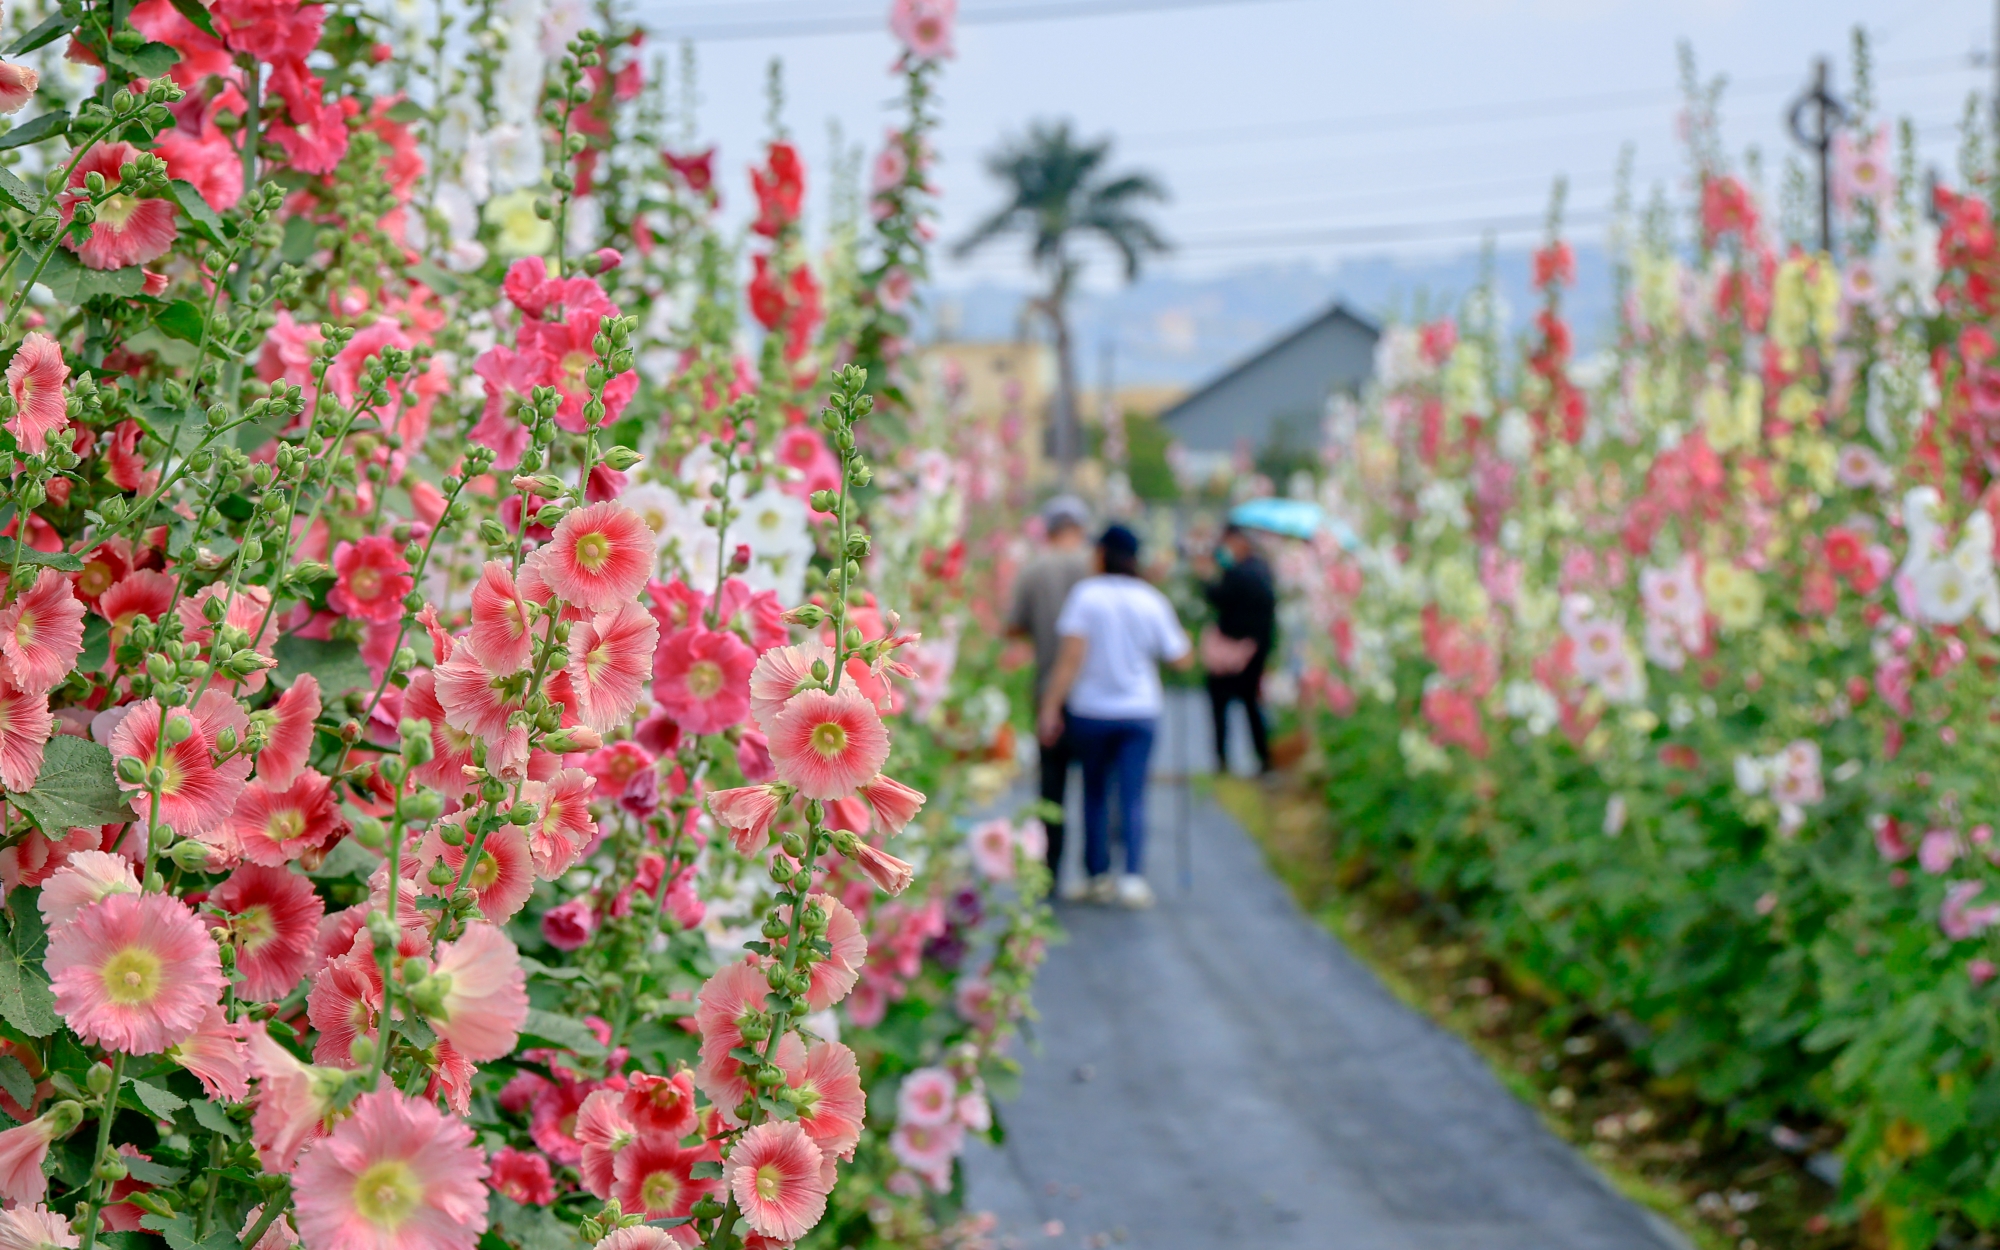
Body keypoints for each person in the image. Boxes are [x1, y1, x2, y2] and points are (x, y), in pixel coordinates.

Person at [1037, 524, 1192, 908]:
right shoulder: (1151, 599)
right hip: (1140, 710)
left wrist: (1051, 706)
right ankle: (1133, 877)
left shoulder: (1087, 596)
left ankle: (1098, 874)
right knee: (1134, 792)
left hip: (1092, 711)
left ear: (1103, 554)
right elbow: (1181, 657)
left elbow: (1070, 658)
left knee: (1094, 792)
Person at [1006, 496, 1094, 888]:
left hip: (1047, 690)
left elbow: (1013, 626)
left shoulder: (1034, 570)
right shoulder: (1096, 566)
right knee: (1096, 783)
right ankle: (1097, 869)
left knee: (1051, 787)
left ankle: (1051, 871)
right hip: (1095, 692)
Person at [1198, 523, 1277, 775]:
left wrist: (1206, 578)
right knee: (1252, 706)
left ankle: (1222, 760)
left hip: (1231, 652)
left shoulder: (1238, 573)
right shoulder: (1262, 569)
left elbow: (1219, 597)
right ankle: (1263, 759)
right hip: (1255, 650)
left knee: (1220, 708)